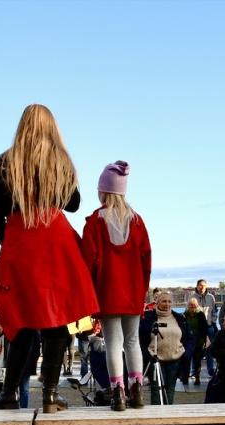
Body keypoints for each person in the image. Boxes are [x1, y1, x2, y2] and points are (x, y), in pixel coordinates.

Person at [0, 103, 99, 412]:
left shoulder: (4, 162)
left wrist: (8, 245)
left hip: (20, 240)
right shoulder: (60, 160)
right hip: (54, 239)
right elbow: (73, 204)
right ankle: (50, 394)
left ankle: (9, 393)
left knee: (20, 320)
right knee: (57, 319)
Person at [81, 160, 152, 410]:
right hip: (133, 291)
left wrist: (87, 296)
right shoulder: (137, 221)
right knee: (133, 341)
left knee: (113, 341)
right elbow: (146, 260)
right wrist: (143, 291)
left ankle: (117, 391)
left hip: (107, 292)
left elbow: (87, 263)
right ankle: (137, 390)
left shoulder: (94, 222)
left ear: (103, 191)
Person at [139, 292, 188, 405]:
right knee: (156, 390)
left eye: (169, 301)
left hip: (175, 359)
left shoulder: (180, 318)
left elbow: (189, 337)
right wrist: (146, 354)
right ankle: (156, 417)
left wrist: (186, 353)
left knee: (170, 389)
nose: (167, 304)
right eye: (164, 301)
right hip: (155, 360)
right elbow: (140, 338)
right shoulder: (148, 318)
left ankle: (168, 415)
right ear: (157, 303)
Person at [191, 279, 217, 378]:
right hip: (196, 328)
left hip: (209, 326)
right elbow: (188, 311)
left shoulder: (211, 297)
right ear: (197, 286)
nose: (202, 287)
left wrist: (213, 321)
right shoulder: (192, 297)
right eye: (200, 285)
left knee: (209, 349)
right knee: (195, 350)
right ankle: (194, 371)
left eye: (204, 286)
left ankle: (211, 370)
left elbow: (214, 311)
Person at [183, 298, 208, 387]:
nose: (192, 306)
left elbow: (205, 329)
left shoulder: (201, 314)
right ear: (188, 305)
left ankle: (197, 377)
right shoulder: (184, 315)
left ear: (197, 305)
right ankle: (185, 378)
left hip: (198, 340)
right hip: (187, 341)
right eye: (190, 305)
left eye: (194, 305)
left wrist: (204, 340)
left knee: (197, 361)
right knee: (186, 359)